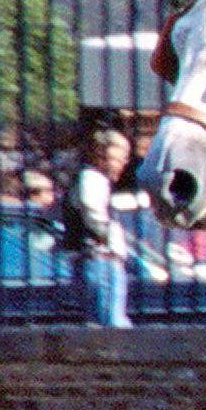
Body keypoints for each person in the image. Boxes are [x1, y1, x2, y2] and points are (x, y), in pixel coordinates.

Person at [70, 127, 138, 327]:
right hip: (102, 260)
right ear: (101, 156)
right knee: (114, 327)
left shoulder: (87, 178)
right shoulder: (92, 179)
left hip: (95, 260)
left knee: (99, 326)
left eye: (124, 160)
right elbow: (92, 211)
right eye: (117, 159)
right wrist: (110, 238)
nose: (122, 165)